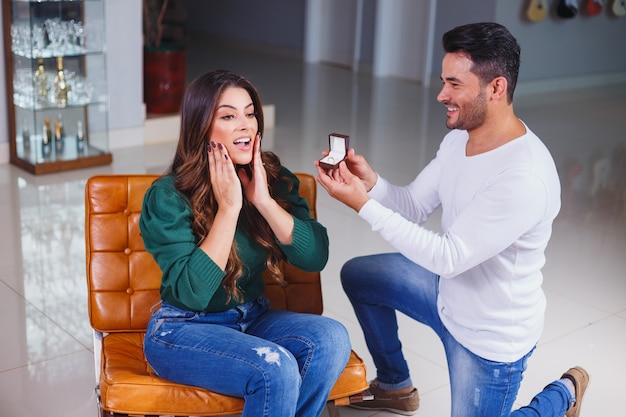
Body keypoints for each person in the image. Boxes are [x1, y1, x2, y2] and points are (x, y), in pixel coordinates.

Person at [315, 22, 589, 417]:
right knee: (359, 275)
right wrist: (370, 184)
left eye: (454, 84)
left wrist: (363, 206)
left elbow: (449, 256)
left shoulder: (523, 176)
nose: (442, 94)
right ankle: (395, 387)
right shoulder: (460, 138)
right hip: (447, 295)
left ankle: (562, 395)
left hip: (488, 339)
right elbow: (412, 205)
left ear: (496, 88)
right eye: (443, 81)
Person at [139, 69, 351, 417]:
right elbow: (193, 293)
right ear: (201, 127)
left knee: (332, 338)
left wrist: (264, 201)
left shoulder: (272, 177)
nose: (246, 125)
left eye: (250, 113)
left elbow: (316, 257)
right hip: (182, 329)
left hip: (252, 317)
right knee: (274, 366)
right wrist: (229, 208)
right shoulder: (167, 196)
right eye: (228, 116)